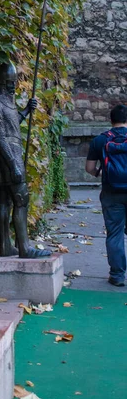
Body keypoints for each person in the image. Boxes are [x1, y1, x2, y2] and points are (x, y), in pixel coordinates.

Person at [0, 61, 51, 258]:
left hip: (7, 154)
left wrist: (25, 111)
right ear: (1, 82)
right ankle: (24, 248)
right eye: (9, 82)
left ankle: (6, 246)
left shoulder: (7, 103)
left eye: (14, 81)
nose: (13, 85)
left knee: (4, 200)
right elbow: (0, 136)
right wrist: (13, 163)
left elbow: (12, 126)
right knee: (21, 198)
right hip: (7, 155)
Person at [86, 104, 127, 287]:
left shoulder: (100, 140)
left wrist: (99, 173)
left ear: (111, 120)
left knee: (115, 234)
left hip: (111, 193)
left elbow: (89, 168)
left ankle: (117, 276)